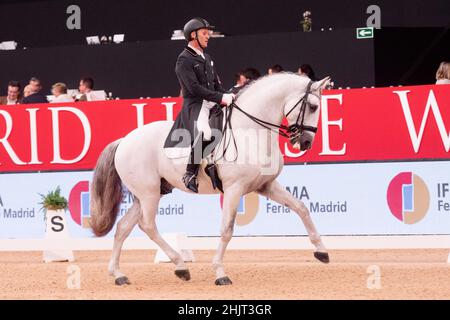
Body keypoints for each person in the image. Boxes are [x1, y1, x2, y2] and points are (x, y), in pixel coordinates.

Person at [164, 17, 234, 193]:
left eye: (208, 33)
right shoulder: (184, 59)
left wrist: (229, 94)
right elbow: (194, 89)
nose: (208, 36)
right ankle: (190, 173)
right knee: (206, 132)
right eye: (204, 33)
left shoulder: (207, 58)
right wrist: (221, 98)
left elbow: (216, 85)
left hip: (211, 101)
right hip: (196, 104)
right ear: (193, 35)